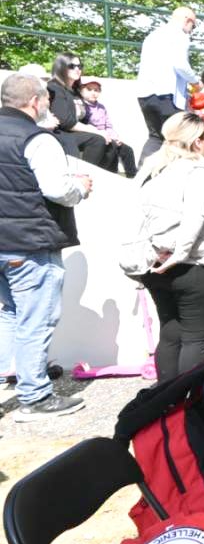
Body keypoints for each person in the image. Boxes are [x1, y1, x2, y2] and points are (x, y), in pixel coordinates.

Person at [0, 73, 91, 420]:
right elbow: (57, 189)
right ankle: (34, 396)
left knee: (10, 314)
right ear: (35, 101)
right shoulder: (37, 138)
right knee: (35, 319)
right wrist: (80, 187)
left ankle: (13, 376)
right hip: (29, 243)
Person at [135, 112, 204, 382]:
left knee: (170, 334)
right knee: (195, 338)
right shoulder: (198, 171)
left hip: (153, 263)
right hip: (190, 264)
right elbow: (195, 219)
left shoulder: (151, 170)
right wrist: (178, 255)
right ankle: (188, 401)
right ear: (196, 142)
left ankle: (166, 398)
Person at [136, 7, 199, 161]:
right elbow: (181, 65)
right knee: (177, 138)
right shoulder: (180, 35)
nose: (191, 30)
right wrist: (195, 82)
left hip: (145, 94)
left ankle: (143, 172)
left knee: (155, 137)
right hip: (167, 96)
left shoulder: (153, 35)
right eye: (194, 26)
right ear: (187, 20)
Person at [46, 53, 110, 169]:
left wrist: (103, 131)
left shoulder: (75, 91)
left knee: (112, 144)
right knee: (97, 140)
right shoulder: (54, 88)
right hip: (59, 132)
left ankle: (107, 176)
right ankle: (84, 174)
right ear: (61, 67)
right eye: (72, 66)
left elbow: (84, 118)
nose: (77, 69)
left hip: (74, 131)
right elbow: (65, 121)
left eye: (80, 66)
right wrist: (95, 131)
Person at [78, 79, 137, 177]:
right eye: (89, 89)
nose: (93, 93)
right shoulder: (81, 106)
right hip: (94, 137)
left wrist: (115, 137)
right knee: (111, 148)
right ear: (81, 90)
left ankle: (132, 176)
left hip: (108, 136)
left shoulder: (101, 107)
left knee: (127, 150)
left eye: (96, 90)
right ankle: (107, 175)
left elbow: (108, 126)